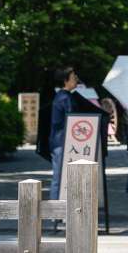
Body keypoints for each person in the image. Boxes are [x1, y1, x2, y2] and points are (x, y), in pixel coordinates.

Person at [48, 65, 78, 202]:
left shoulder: (61, 96)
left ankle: (56, 212)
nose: (76, 79)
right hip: (62, 142)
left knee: (59, 177)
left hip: (58, 141)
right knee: (59, 177)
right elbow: (72, 120)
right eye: (73, 77)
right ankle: (55, 211)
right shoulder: (65, 98)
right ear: (66, 81)